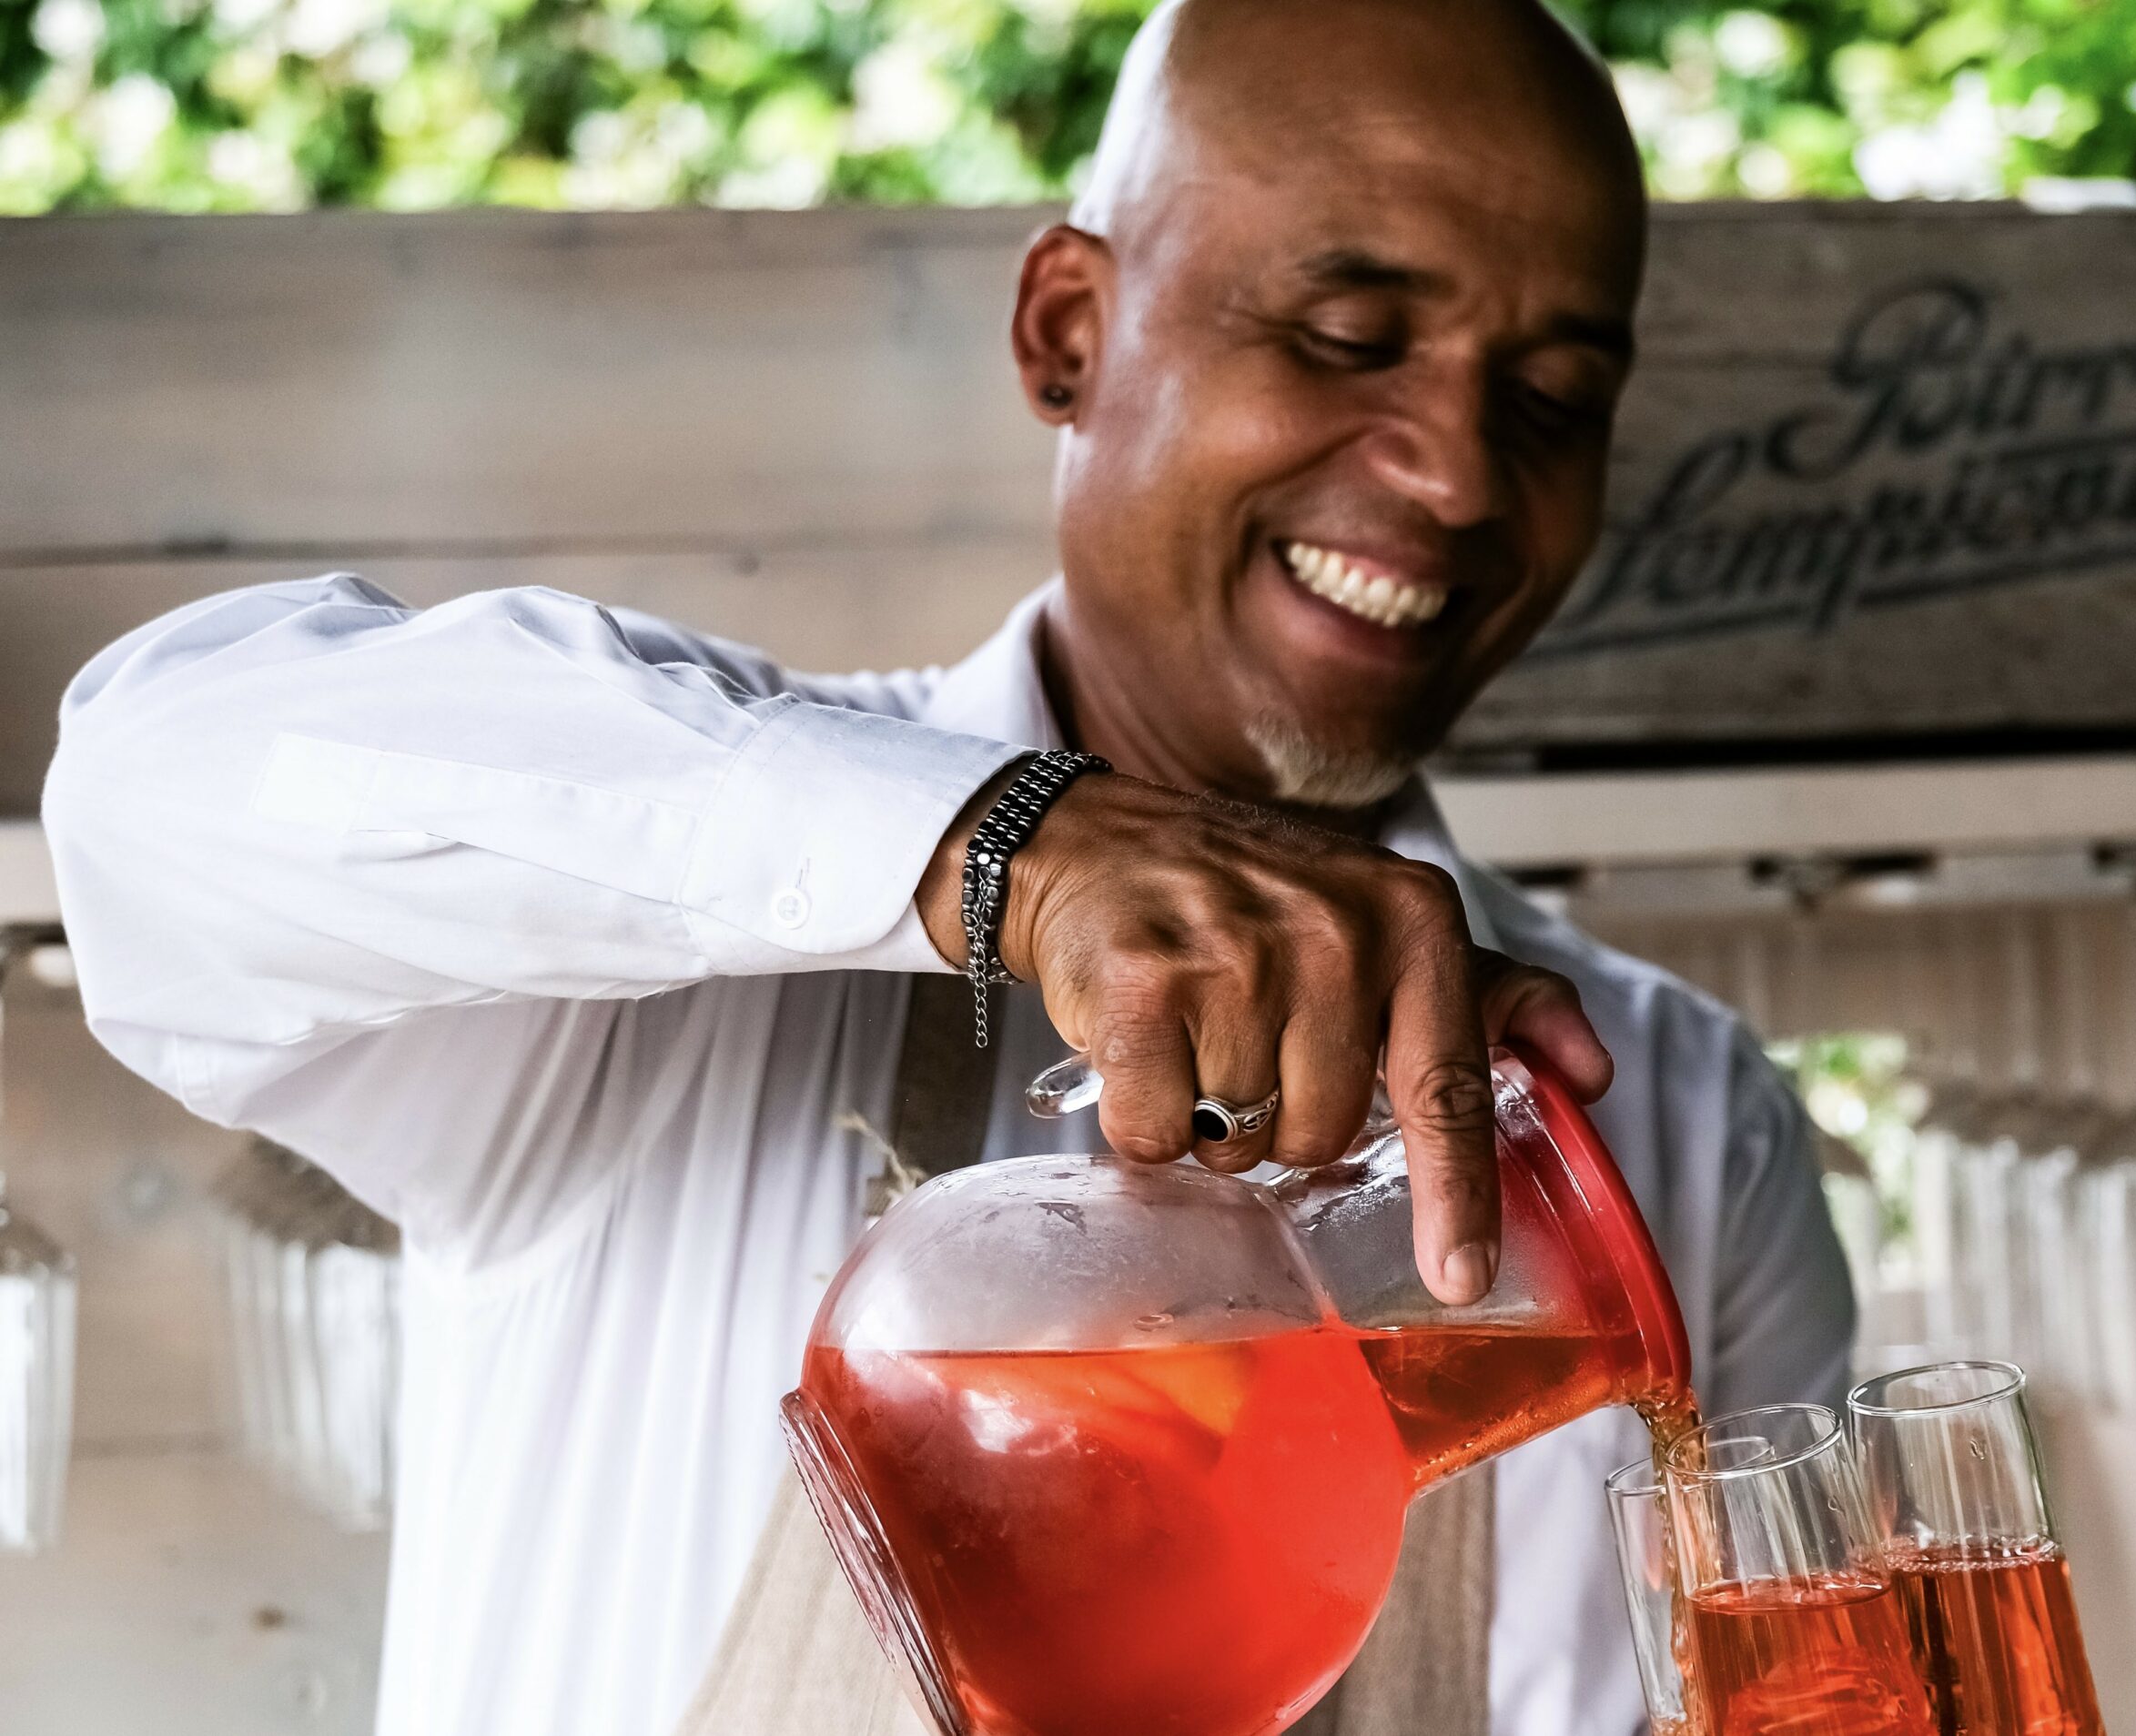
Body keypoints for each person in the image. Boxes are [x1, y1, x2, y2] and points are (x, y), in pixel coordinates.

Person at [43, 0, 1852, 1732]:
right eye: (1345, 337)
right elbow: (149, 791)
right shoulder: (648, 963)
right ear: (1066, 329)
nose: (1457, 475)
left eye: (1549, 394)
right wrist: (1008, 846)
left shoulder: (1673, 1121)